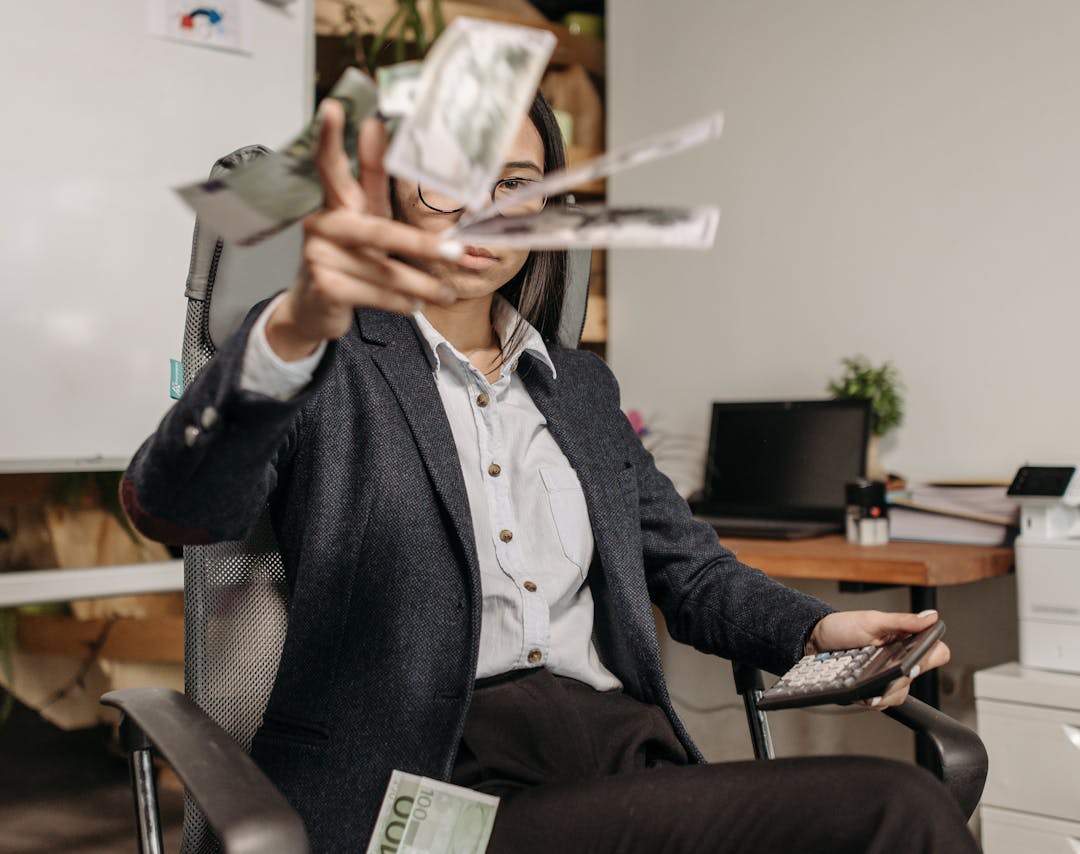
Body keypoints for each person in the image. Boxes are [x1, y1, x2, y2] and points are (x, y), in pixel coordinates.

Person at [121, 90, 979, 853]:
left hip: (615, 757)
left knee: (884, 811)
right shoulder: (324, 357)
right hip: (429, 788)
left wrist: (819, 633)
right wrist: (287, 338)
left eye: (517, 187)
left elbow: (689, 568)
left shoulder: (580, 389)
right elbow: (177, 503)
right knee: (896, 805)